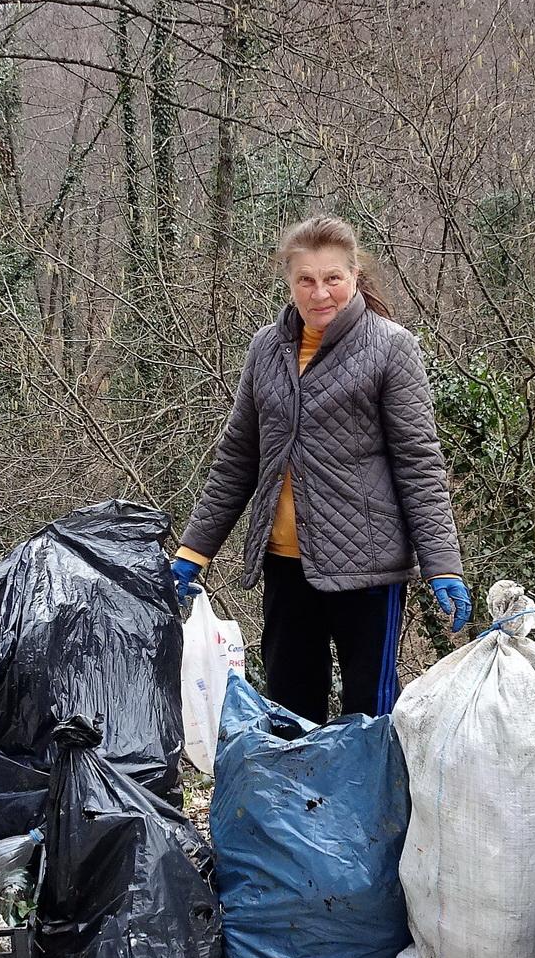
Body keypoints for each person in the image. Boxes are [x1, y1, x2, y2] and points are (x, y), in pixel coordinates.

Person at [172, 215, 472, 724]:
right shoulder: (267, 349)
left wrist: (442, 563)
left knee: (370, 718)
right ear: (289, 283)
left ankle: (370, 806)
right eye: (306, 280)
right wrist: (192, 552)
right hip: (285, 565)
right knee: (289, 711)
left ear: (355, 276)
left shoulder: (391, 348)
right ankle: (298, 806)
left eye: (333, 277)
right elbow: (238, 459)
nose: (320, 293)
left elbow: (419, 464)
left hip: (368, 569)